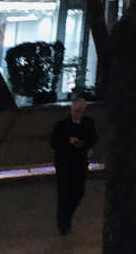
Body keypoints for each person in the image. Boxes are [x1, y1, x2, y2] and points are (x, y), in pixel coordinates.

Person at [49, 94, 98, 236]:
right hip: (65, 165)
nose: (80, 113)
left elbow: (93, 138)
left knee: (78, 192)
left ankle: (67, 218)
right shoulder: (62, 126)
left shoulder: (88, 123)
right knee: (64, 194)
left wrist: (85, 144)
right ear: (72, 110)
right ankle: (63, 224)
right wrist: (69, 142)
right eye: (78, 110)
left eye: (82, 110)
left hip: (80, 164)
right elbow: (53, 143)